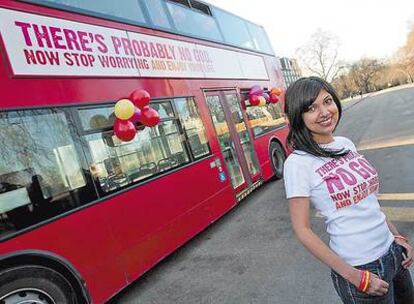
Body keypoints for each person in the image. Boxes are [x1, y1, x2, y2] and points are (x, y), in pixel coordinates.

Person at [283, 76, 414, 303]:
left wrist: (396, 236)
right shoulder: (298, 163)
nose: (324, 112)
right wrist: (355, 277)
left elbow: (368, 202)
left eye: (327, 101)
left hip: (393, 253)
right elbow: (302, 230)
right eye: (311, 108)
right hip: (362, 267)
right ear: (298, 115)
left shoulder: (345, 144)